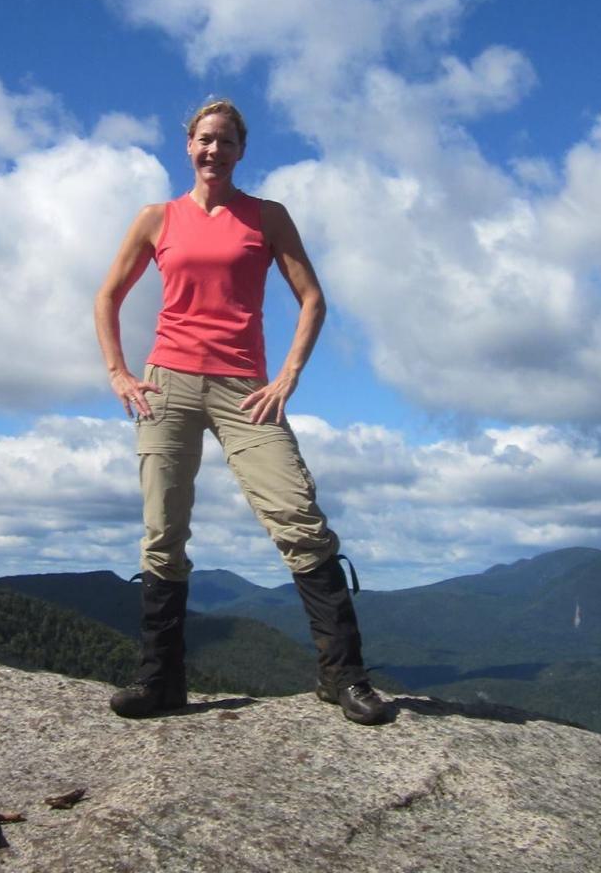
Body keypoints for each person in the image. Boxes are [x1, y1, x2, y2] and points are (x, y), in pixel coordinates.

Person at [94, 99, 389, 725]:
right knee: (163, 533)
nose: (213, 152)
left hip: (243, 388)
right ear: (188, 146)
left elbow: (312, 299)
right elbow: (108, 296)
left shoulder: (267, 216)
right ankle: (160, 682)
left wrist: (287, 376)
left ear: (241, 150)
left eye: (225, 142)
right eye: (204, 140)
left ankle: (344, 677)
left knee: (298, 518)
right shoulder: (157, 218)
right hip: (167, 384)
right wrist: (120, 372)